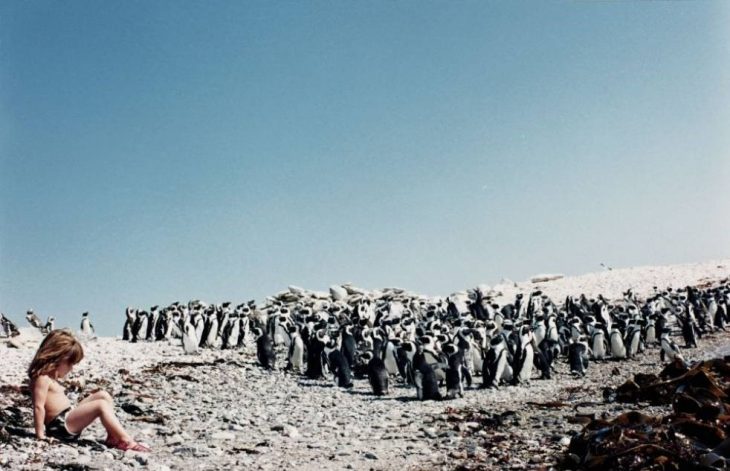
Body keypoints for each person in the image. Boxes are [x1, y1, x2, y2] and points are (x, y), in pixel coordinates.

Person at [28, 329, 151, 452]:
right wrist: (40, 435)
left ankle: (112, 436)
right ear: (56, 358)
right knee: (100, 405)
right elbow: (38, 407)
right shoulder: (41, 378)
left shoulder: (49, 378)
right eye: (69, 363)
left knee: (103, 395)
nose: (71, 368)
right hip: (60, 428)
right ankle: (127, 441)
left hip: (67, 417)